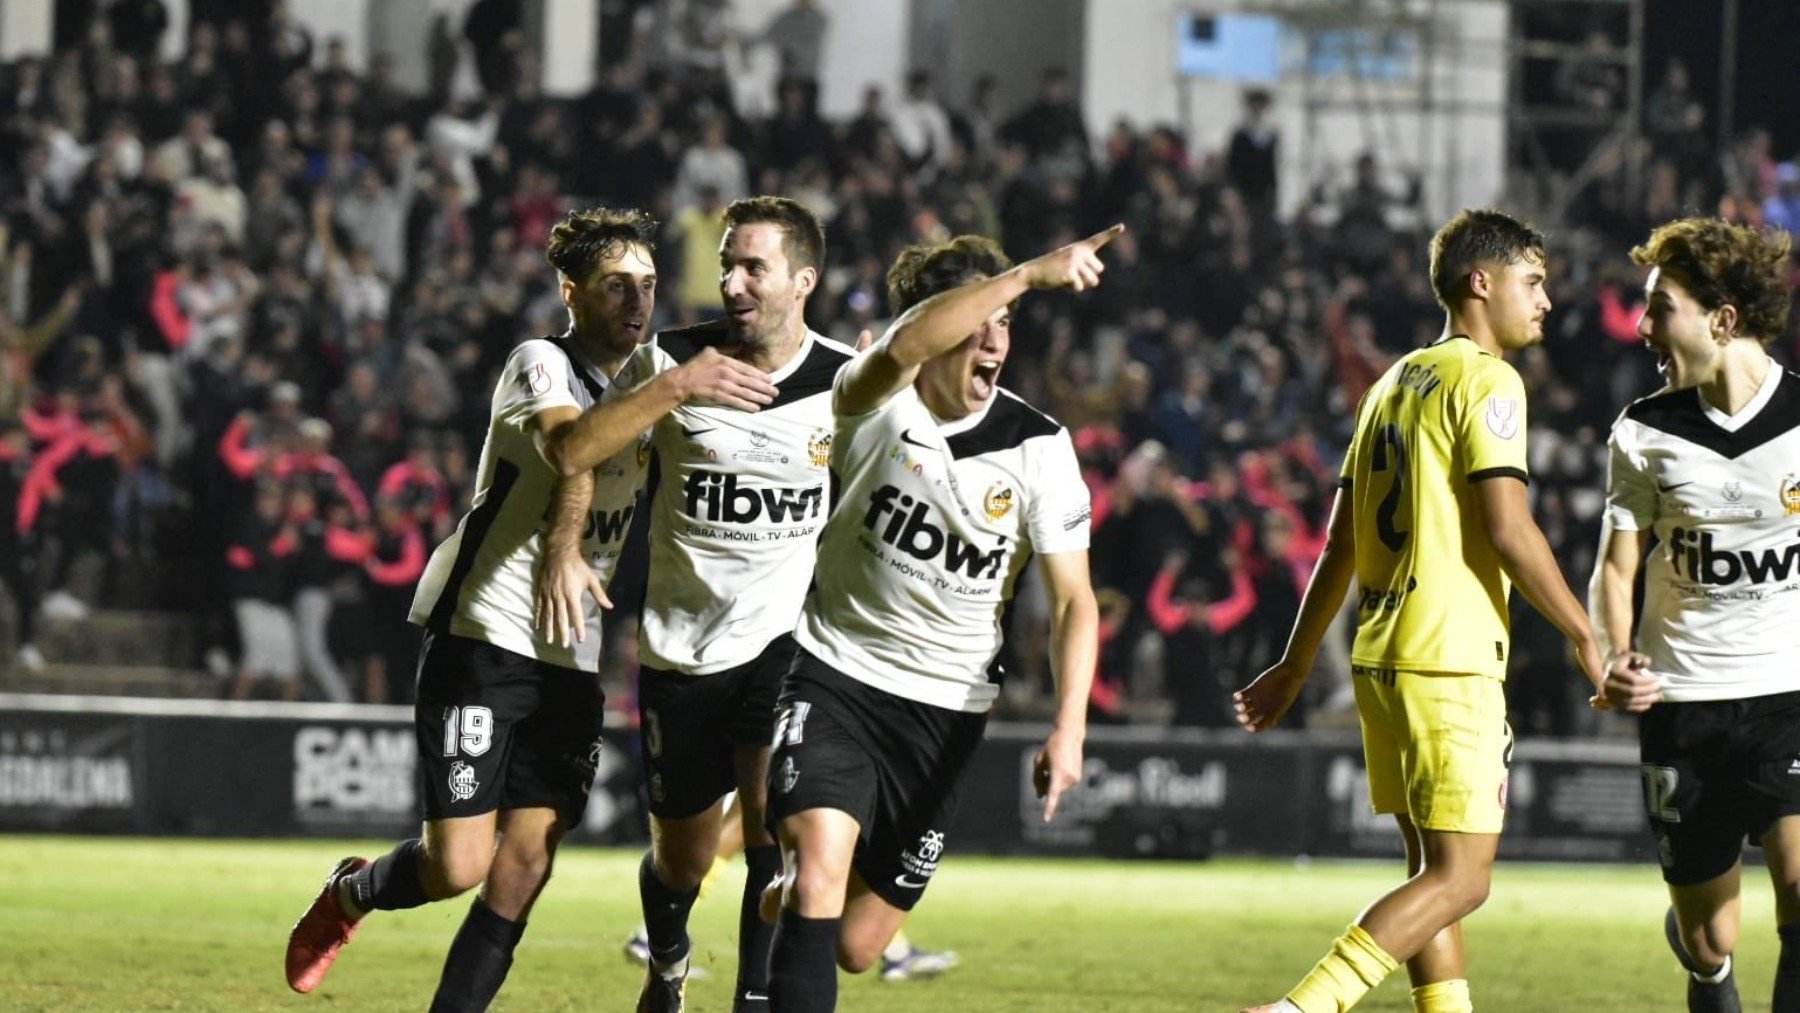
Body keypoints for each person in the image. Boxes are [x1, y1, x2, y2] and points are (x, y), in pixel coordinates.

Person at [283, 207, 776, 1009]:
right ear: (569, 290)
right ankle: (352, 893)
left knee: (522, 866)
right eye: (616, 284)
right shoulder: (539, 361)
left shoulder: (653, 377)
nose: (636, 302)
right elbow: (570, 446)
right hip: (485, 629)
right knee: (458, 865)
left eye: (649, 285)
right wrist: (679, 383)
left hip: (571, 652)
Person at [1233, 208, 1605, 1013]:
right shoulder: (1488, 378)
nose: (1545, 301)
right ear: (1483, 281)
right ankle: (1300, 1009)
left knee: (1432, 875)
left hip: (1381, 656)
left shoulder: (1388, 384)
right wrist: (1586, 632)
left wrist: (1296, 664)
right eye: (1532, 282)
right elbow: (1509, 526)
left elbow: (1338, 545)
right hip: (1449, 654)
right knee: (1463, 876)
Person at [761, 227, 1118, 1011]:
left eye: (1007, 323)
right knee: (819, 870)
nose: (995, 339)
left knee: (858, 943)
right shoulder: (872, 396)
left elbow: (1073, 601)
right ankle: (798, 893)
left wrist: (1070, 728)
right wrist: (1028, 272)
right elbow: (902, 346)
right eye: (979, 320)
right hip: (837, 676)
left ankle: (792, 905)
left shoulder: (1041, 447)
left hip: (946, 713)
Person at [549, 196, 852, 1013]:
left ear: (803, 280)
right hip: (681, 649)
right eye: (727, 264)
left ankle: (754, 996)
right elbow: (577, 450)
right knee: (680, 859)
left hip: (783, 646)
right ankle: (670, 962)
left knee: (770, 836)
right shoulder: (672, 360)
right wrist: (568, 546)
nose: (733, 281)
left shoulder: (844, 382)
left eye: (753, 266)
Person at [1589, 218, 1800, 1013]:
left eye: (1659, 308)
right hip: (1684, 704)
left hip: (1790, 695)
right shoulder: (1645, 431)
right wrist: (1614, 653)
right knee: (1713, 940)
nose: (1642, 327)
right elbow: (1616, 567)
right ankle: (1707, 967)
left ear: (1722, 319)